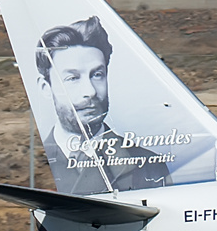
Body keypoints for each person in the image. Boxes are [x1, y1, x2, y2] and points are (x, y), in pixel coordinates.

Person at [34, 16, 171, 195]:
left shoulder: (149, 164)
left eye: (97, 75)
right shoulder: (36, 168)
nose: (90, 91)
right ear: (46, 88)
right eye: (73, 78)